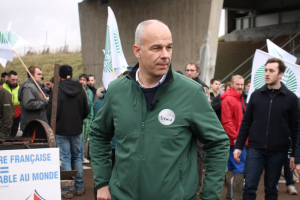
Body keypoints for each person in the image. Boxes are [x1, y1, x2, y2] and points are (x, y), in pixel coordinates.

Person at [89, 19, 229, 200]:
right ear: (137, 51)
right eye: (156, 48)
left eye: (169, 47)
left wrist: (209, 196)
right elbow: (99, 134)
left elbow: (218, 142)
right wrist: (102, 183)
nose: (165, 55)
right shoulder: (117, 90)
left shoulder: (191, 92)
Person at [234, 58, 299, 200]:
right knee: (249, 187)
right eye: (265, 70)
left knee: (271, 189)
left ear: (281, 74)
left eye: (271, 71)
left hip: (278, 151)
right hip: (255, 148)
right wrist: (239, 145)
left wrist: (295, 154)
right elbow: (246, 122)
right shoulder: (256, 95)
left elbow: (296, 129)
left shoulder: (291, 99)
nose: (267, 74)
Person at [47, 65, 89, 199]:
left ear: (59, 75)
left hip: (60, 130)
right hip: (76, 129)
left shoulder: (56, 90)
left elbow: (50, 113)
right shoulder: (81, 89)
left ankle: (67, 189)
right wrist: (78, 119)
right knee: (77, 157)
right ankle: (79, 187)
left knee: (65, 158)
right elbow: (86, 110)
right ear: (71, 74)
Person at [221, 75, 247, 200]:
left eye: (242, 84)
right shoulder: (228, 99)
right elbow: (227, 121)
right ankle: (237, 197)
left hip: (235, 140)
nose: (240, 87)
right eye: (238, 84)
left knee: (231, 167)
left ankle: (230, 196)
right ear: (231, 84)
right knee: (239, 167)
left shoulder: (238, 97)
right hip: (235, 140)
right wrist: (236, 138)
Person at [18, 66, 48, 131]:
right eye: (38, 74)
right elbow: (29, 104)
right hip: (32, 128)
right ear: (31, 75)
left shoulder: (35, 86)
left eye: (41, 74)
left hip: (37, 125)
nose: (41, 76)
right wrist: (45, 101)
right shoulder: (29, 87)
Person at [0, 70, 21, 137]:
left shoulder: (20, 88)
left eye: (16, 80)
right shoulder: (2, 87)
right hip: (5, 117)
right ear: (7, 78)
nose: (14, 82)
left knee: (12, 137)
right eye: (12, 80)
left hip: (16, 117)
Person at [79, 74, 94, 164]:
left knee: (84, 137)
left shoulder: (89, 92)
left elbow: (88, 105)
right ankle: (80, 155)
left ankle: (82, 155)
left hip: (87, 117)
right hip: (79, 117)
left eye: (84, 80)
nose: (81, 81)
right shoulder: (77, 90)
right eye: (80, 79)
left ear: (87, 82)